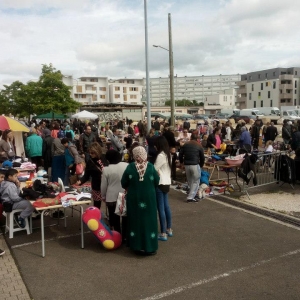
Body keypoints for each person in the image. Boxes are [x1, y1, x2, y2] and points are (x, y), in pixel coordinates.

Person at [121, 146, 159, 255]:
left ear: (134, 155)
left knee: (135, 220)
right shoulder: (151, 167)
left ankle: (136, 246)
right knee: (149, 220)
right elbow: (156, 182)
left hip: (134, 198)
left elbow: (123, 183)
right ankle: (150, 247)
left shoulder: (130, 168)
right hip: (149, 198)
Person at [101, 150, 128, 239]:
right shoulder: (126, 165)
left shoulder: (106, 169)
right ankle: (125, 236)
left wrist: (103, 196)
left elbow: (104, 185)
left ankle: (117, 237)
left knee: (114, 218)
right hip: (124, 194)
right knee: (125, 217)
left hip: (111, 196)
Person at [76, 142, 107, 209]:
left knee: (110, 204)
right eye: (90, 153)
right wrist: (80, 181)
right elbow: (87, 175)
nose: (90, 154)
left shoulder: (104, 158)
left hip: (107, 184)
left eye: (92, 153)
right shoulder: (90, 162)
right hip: (97, 186)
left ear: (97, 151)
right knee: (97, 205)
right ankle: (96, 217)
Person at [154, 136, 172, 241]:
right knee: (166, 207)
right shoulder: (168, 154)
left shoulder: (161, 155)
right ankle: (169, 229)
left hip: (160, 183)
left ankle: (163, 232)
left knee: (160, 208)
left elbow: (154, 168)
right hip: (167, 182)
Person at [179, 132, 205, 202]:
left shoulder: (185, 145)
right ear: (197, 139)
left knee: (190, 180)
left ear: (190, 138)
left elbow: (180, 154)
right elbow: (202, 157)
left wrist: (181, 162)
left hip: (187, 164)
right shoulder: (199, 145)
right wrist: (201, 165)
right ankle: (190, 197)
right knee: (196, 181)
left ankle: (191, 193)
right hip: (195, 164)